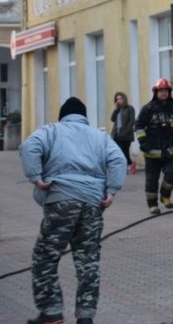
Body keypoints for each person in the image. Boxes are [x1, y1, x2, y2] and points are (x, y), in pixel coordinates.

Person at [19, 97, 127, 324]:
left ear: (63, 116)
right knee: (88, 261)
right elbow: (118, 159)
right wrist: (112, 190)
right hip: (92, 204)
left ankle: (51, 312)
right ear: (84, 117)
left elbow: (29, 146)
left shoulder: (51, 131)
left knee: (45, 257)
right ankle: (85, 317)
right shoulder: (100, 137)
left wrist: (36, 177)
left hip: (61, 201)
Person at [134, 78, 173, 215]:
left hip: (170, 149)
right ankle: (152, 205)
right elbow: (138, 127)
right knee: (152, 179)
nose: (163, 93)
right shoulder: (148, 109)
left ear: (169, 92)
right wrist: (143, 142)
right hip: (152, 151)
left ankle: (165, 195)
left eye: (166, 91)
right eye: (161, 91)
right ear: (156, 92)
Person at [110, 91, 137, 174]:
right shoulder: (118, 110)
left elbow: (132, 121)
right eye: (117, 99)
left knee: (125, 151)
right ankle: (128, 165)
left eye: (120, 99)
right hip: (116, 134)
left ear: (124, 99)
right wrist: (115, 110)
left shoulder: (130, 108)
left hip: (126, 135)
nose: (119, 101)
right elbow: (112, 119)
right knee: (121, 151)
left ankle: (130, 164)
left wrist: (126, 131)